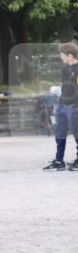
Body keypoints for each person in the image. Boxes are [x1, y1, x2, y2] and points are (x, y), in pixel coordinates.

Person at [43, 42, 78, 171]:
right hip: (63, 104)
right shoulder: (65, 69)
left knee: (77, 132)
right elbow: (65, 87)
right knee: (60, 132)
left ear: (70, 55)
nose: (61, 57)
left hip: (75, 106)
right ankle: (59, 161)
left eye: (62, 55)